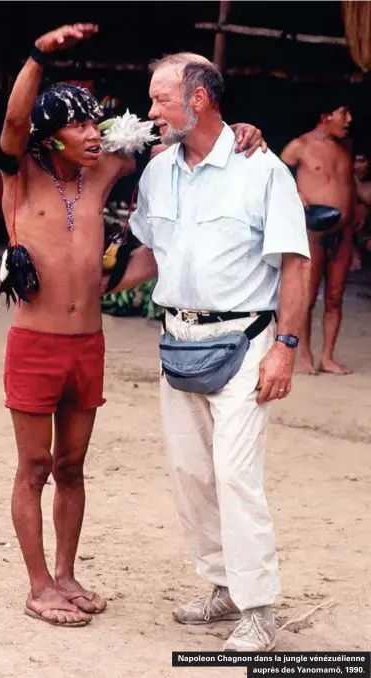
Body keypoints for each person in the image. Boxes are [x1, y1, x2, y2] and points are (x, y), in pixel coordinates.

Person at [0, 24, 266, 628]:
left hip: (88, 345)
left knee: (71, 468)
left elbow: (184, 125)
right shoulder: (22, 173)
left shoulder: (104, 170)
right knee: (34, 468)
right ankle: (38, 585)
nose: (94, 134)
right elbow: (16, 121)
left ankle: (67, 576)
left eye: (98, 124)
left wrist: (244, 130)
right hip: (34, 344)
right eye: (80, 126)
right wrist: (38, 55)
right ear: (50, 138)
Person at [110, 52, 311, 651]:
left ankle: (257, 610)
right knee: (191, 475)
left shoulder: (263, 169)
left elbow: (295, 264)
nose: (150, 111)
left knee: (236, 475)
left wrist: (287, 347)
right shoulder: (157, 170)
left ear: (198, 99)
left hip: (247, 343)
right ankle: (222, 587)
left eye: (160, 99)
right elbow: (148, 254)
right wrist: (89, 285)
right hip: (179, 341)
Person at [281, 98, 354, 375]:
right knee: (307, 297)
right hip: (312, 231)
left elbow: (349, 184)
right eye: (343, 113)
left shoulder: (345, 147)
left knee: (335, 297)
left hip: (343, 233)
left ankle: (327, 357)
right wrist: (294, 193)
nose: (349, 121)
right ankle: (304, 355)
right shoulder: (300, 146)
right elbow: (276, 176)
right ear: (325, 115)